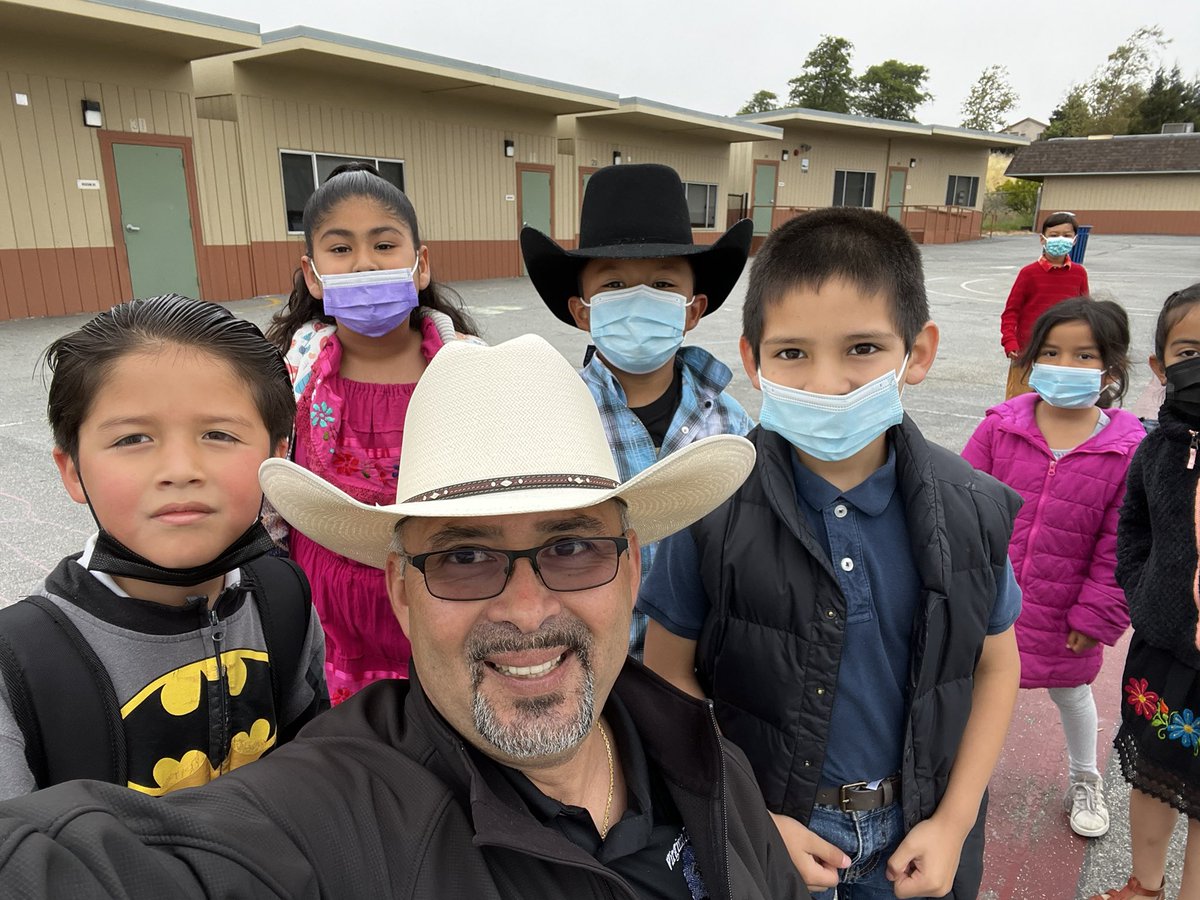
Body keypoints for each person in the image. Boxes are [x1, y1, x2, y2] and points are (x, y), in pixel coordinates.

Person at [0, 334, 808, 900]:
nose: (527, 610)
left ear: (631, 570)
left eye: (570, 549)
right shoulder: (336, 813)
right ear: (400, 591)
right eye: (463, 558)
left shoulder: (707, 761)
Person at [638, 208, 1023, 899]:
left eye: (862, 349)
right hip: (777, 830)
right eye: (792, 353)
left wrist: (956, 821)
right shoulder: (711, 504)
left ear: (919, 352)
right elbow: (669, 678)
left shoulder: (972, 506)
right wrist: (751, 817)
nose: (825, 383)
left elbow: (996, 668)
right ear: (752, 361)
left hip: (919, 831)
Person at [0, 295, 328, 800]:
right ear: (73, 471)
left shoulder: (285, 597)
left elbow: (315, 773)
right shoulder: (19, 666)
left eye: (219, 434)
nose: (180, 469)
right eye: (132, 439)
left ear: (277, 453)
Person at [266, 162, 481, 703]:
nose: (364, 263)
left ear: (420, 263)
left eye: (384, 245)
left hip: (447, 608)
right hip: (327, 621)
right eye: (340, 249)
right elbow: (267, 493)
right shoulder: (290, 376)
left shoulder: (468, 371)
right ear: (313, 274)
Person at [520, 163, 754, 660]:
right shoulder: (549, 421)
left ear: (693, 309)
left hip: (702, 666)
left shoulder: (732, 428)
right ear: (582, 311)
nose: (639, 299)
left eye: (664, 285)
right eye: (614, 285)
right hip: (586, 663)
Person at [963, 296, 1142, 840]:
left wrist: (1096, 616)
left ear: (1111, 367)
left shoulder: (1128, 449)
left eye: (1083, 356)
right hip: (990, 601)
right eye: (1051, 352)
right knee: (972, 692)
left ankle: (1085, 777)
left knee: (1072, 696)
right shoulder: (999, 428)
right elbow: (960, 505)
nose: (1065, 366)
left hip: (1066, 611)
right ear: (1031, 360)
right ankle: (959, 780)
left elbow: (1121, 545)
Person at [1093, 283, 1200, 900]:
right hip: (1163, 651)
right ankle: (1145, 883)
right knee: (1155, 776)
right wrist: (1143, 592)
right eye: (1189, 351)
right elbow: (1130, 529)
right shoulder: (1155, 449)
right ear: (1160, 366)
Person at [1000, 211, 1091, 400]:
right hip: (1027, 352)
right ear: (1043, 239)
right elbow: (1011, 311)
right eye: (1054, 235)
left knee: (1057, 401)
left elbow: (1085, 313)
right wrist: (1010, 341)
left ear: (1074, 240)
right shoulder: (1029, 273)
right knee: (1020, 401)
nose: (1060, 239)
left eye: (1066, 236)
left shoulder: (1079, 273)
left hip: (1064, 354)